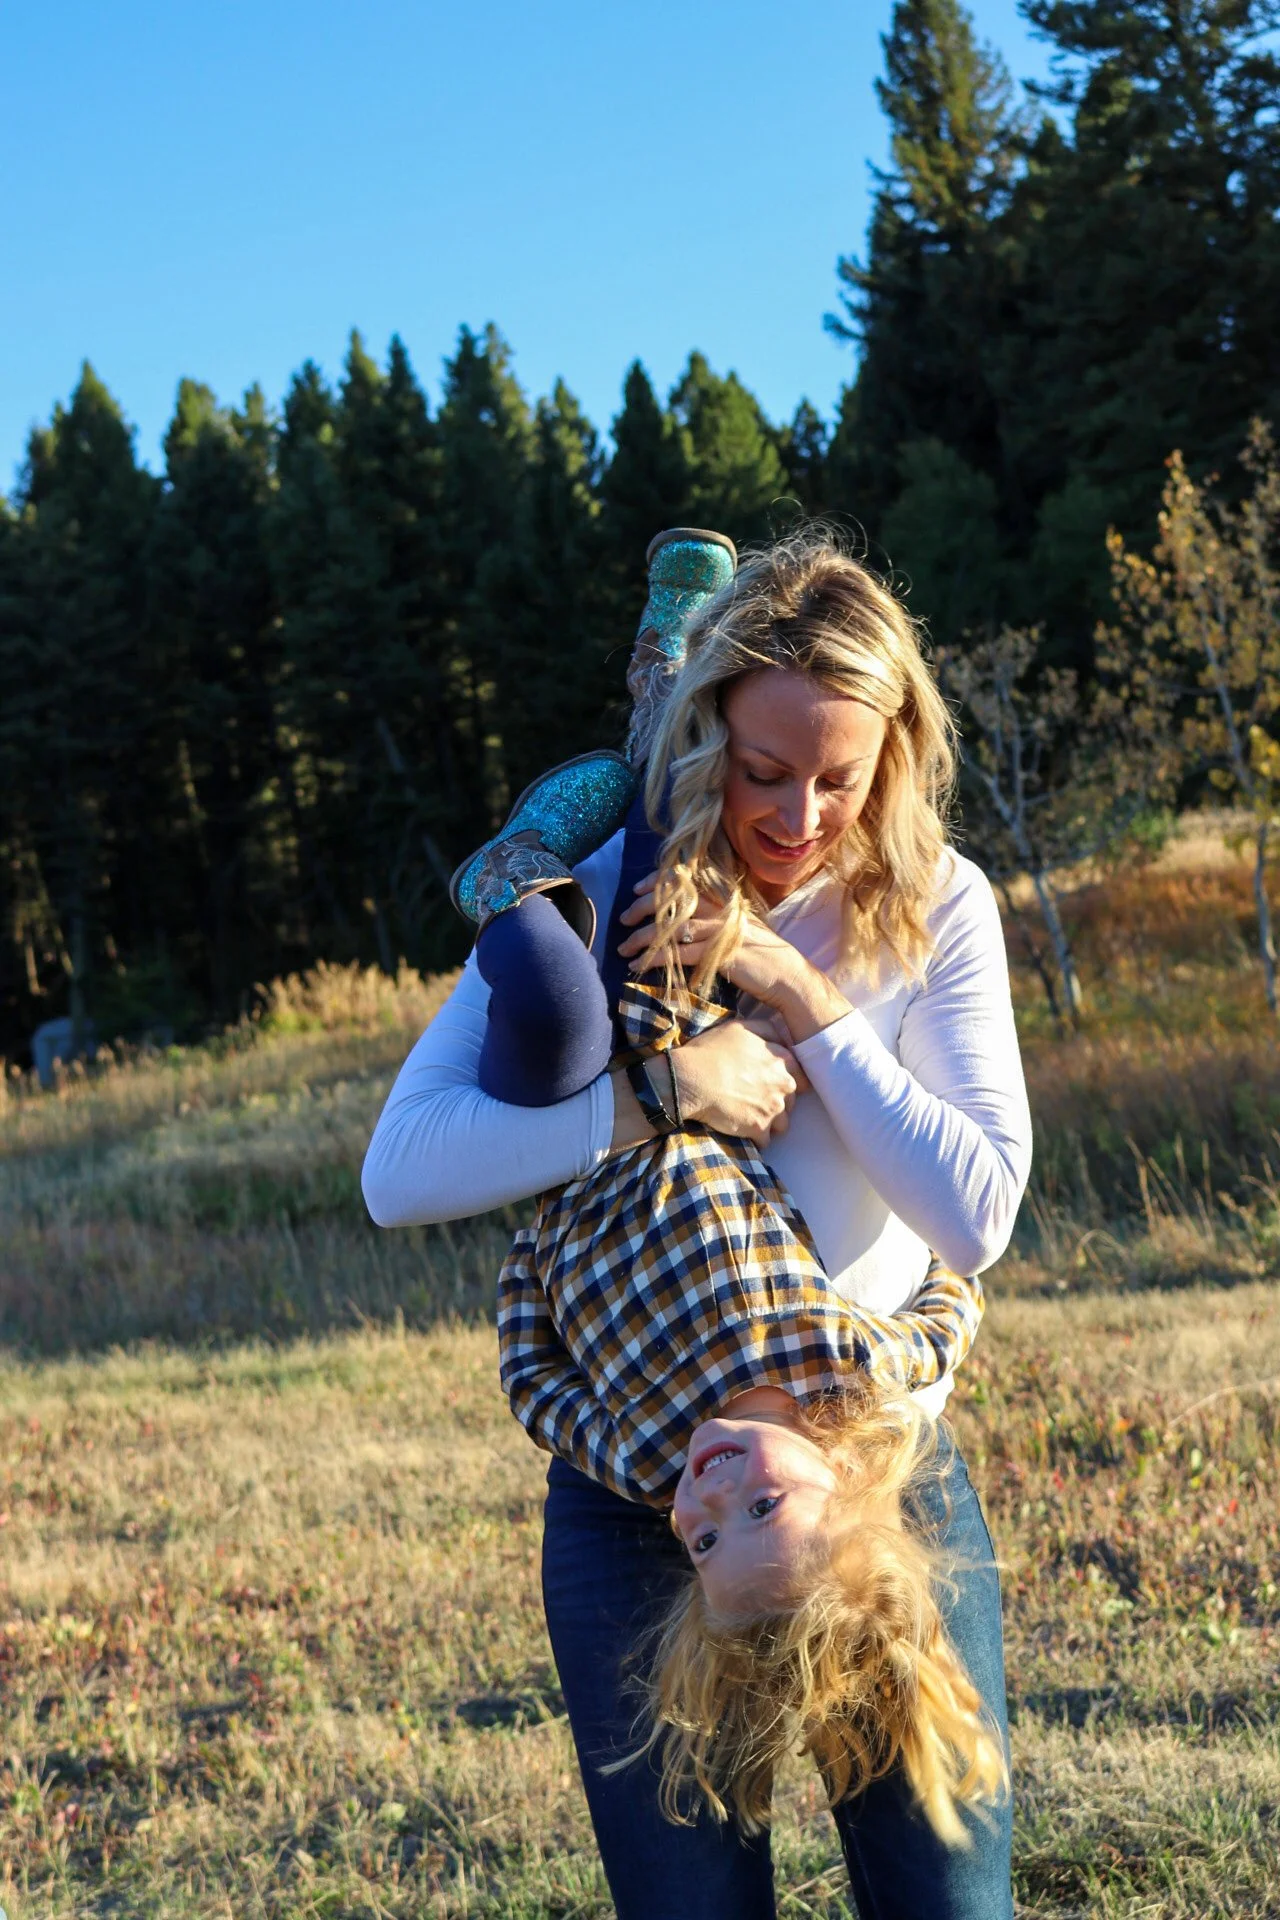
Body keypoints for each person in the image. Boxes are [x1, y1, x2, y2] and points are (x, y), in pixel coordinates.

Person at [362, 529, 1034, 1919]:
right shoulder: (610, 881)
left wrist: (795, 989)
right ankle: (652, 676)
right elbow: (401, 1170)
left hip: (870, 1476)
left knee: (947, 1892)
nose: (798, 816)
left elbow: (973, 1219)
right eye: (762, 771)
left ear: (895, 756)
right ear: (709, 737)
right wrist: (661, 1094)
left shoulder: (937, 907)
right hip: (637, 1509)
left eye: (841, 779)